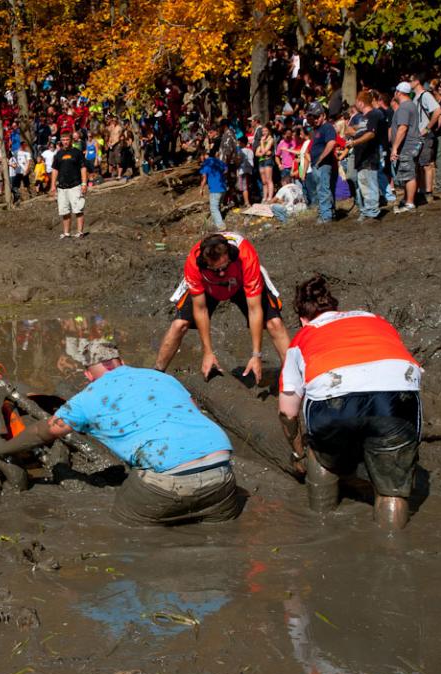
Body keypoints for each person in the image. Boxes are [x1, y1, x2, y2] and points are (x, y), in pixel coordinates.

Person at [0, 340, 240, 525]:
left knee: (126, 527)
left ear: (88, 375)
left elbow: (44, 432)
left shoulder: (89, 397)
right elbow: (191, 409)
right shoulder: (161, 377)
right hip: (222, 471)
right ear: (121, 362)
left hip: (167, 482)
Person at [277, 274, 422, 531]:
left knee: (320, 456)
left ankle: (321, 522)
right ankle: (392, 551)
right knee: (392, 491)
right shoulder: (375, 319)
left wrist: (298, 452)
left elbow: (287, 411)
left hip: (333, 399)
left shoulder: (301, 338)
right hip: (398, 394)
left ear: (302, 319)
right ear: (335, 308)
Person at [155, 232, 290, 382]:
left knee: (275, 323)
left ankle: (294, 375)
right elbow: (201, 309)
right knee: (179, 324)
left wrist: (256, 355)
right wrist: (207, 352)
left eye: (224, 266)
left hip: (240, 281)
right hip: (209, 285)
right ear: (205, 263)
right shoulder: (194, 264)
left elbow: (254, 309)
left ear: (230, 255)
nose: (222, 273)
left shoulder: (245, 256)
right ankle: (156, 375)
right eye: (216, 269)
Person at [347, 91, 383, 221]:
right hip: (361, 157)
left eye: (356, 101)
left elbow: (371, 134)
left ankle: (372, 213)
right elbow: (355, 130)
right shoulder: (363, 118)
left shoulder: (374, 114)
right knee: (363, 184)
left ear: (361, 102)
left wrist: (354, 142)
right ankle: (367, 211)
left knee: (369, 184)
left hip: (369, 156)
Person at [388, 81, 421, 213]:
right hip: (411, 144)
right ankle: (408, 199)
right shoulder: (411, 105)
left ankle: (409, 203)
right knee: (409, 173)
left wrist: (395, 147)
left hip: (407, 145)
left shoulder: (404, 108)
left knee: (409, 174)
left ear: (399, 92)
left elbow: (402, 128)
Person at [50, 130, 88, 239]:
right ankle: (66, 233)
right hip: (62, 186)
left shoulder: (77, 152)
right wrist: (53, 185)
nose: (65, 142)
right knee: (64, 210)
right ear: (61, 141)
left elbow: (83, 168)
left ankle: (80, 232)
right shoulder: (58, 154)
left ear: (71, 140)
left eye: (67, 140)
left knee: (78, 209)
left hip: (75, 185)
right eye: (63, 140)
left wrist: (84, 183)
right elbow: (55, 170)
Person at [305, 103, 337, 223]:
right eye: (314, 117)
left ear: (323, 115)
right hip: (318, 164)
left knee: (323, 189)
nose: (316, 119)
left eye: (317, 116)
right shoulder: (316, 129)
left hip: (323, 164)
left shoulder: (327, 127)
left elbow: (331, 143)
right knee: (323, 189)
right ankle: (328, 213)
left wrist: (321, 159)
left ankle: (326, 216)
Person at [199, 147, 228, 230]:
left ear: (203, 155)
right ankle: (218, 220)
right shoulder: (217, 160)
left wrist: (201, 189)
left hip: (215, 190)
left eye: (200, 157)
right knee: (217, 205)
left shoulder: (206, 164)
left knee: (213, 208)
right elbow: (226, 169)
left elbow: (204, 178)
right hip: (223, 188)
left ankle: (221, 226)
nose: (200, 159)